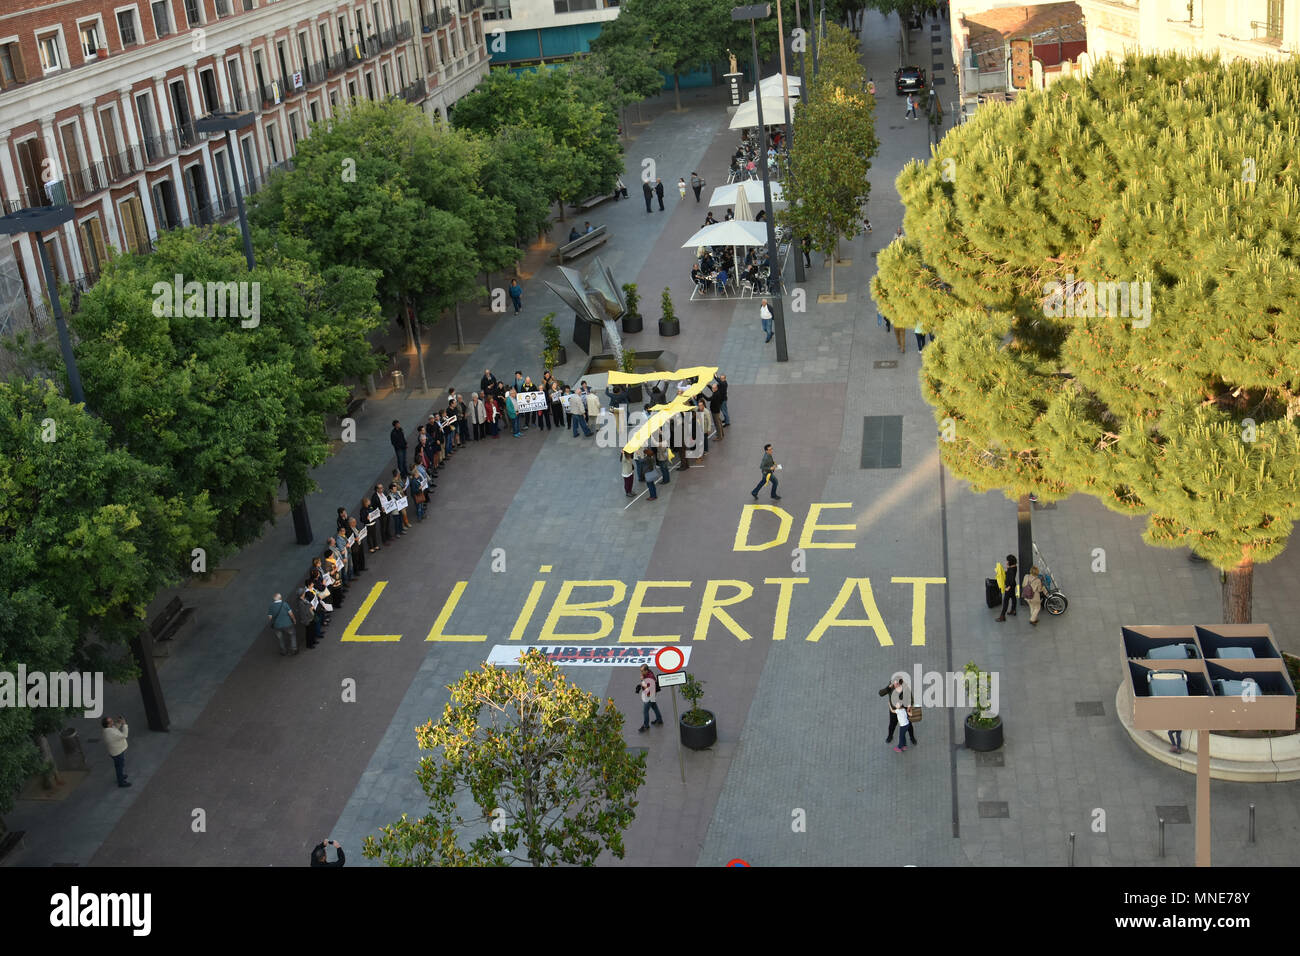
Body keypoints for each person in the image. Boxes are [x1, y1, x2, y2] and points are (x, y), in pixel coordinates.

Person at [102, 715, 130, 787]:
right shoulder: (110, 733)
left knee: (119, 766)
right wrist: (124, 724)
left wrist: (119, 723)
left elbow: (115, 729)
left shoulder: (108, 729)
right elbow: (124, 735)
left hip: (116, 751)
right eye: (111, 721)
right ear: (108, 724)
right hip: (118, 752)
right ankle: (121, 782)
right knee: (119, 766)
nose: (113, 721)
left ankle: (120, 777)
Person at [267, 592, 297, 656]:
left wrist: (274, 623)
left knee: (280, 638)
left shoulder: (271, 606)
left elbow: (270, 617)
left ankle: (283, 651)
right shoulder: (285, 604)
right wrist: (294, 620)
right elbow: (291, 613)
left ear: (274, 599)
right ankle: (294, 649)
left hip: (277, 626)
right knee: (292, 635)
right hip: (288, 624)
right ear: (280, 598)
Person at [636, 664, 664, 731]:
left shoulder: (650, 678)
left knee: (645, 711)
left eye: (642, 671)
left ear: (646, 670)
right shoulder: (648, 673)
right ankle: (659, 720)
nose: (641, 673)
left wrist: (642, 681)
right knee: (654, 707)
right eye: (641, 671)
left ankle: (646, 726)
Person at [995, 553, 1019, 621]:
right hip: (1013, 585)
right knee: (1013, 597)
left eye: (1007, 561)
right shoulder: (1014, 567)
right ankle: (1013, 610)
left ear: (1010, 562)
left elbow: (1010, 579)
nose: (1006, 562)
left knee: (1005, 601)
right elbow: (1010, 575)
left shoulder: (1011, 570)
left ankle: (1002, 616)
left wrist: (1008, 587)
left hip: (1009, 586)